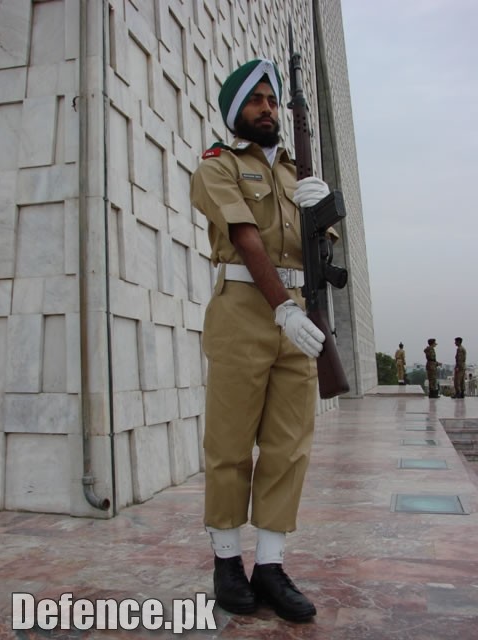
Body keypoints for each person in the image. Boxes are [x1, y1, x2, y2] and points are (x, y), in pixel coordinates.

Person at [190, 58, 336, 622]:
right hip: (246, 312)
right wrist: (280, 308)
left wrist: (321, 210)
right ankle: (227, 562)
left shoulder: (297, 172)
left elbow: (323, 251)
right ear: (236, 111)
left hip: (299, 316)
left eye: (272, 100)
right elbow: (246, 238)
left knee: (288, 445)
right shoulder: (218, 165)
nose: (268, 108)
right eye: (256, 100)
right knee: (229, 444)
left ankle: (270, 567)